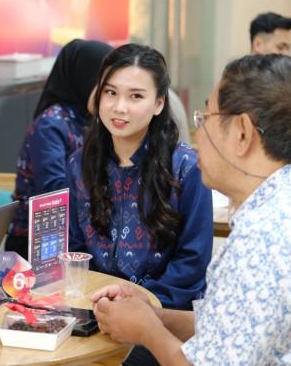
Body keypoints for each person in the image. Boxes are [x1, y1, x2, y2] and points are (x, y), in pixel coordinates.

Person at [91, 54, 291, 365]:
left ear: (242, 132)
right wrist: (153, 314)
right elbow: (234, 327)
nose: (198, 137)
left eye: (205, 118)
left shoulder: (263, 239)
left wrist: (147, 331)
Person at [68, 44, 213, 365]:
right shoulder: (80, 163)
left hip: (165, 318)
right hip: (95, 311)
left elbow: (191, 264)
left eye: (135, 96)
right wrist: (100, 304)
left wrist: (142, 305)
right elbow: (75, 248)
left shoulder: (187, 168)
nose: (119, 107)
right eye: (111, 93)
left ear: (159, 103)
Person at [5, 39, 113, 259]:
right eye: (105, 86)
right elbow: (55, 192)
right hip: (35, 243)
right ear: (84, 79)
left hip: (80, 234)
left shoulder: (92, 119)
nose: (110, 95)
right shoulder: (51, 125)